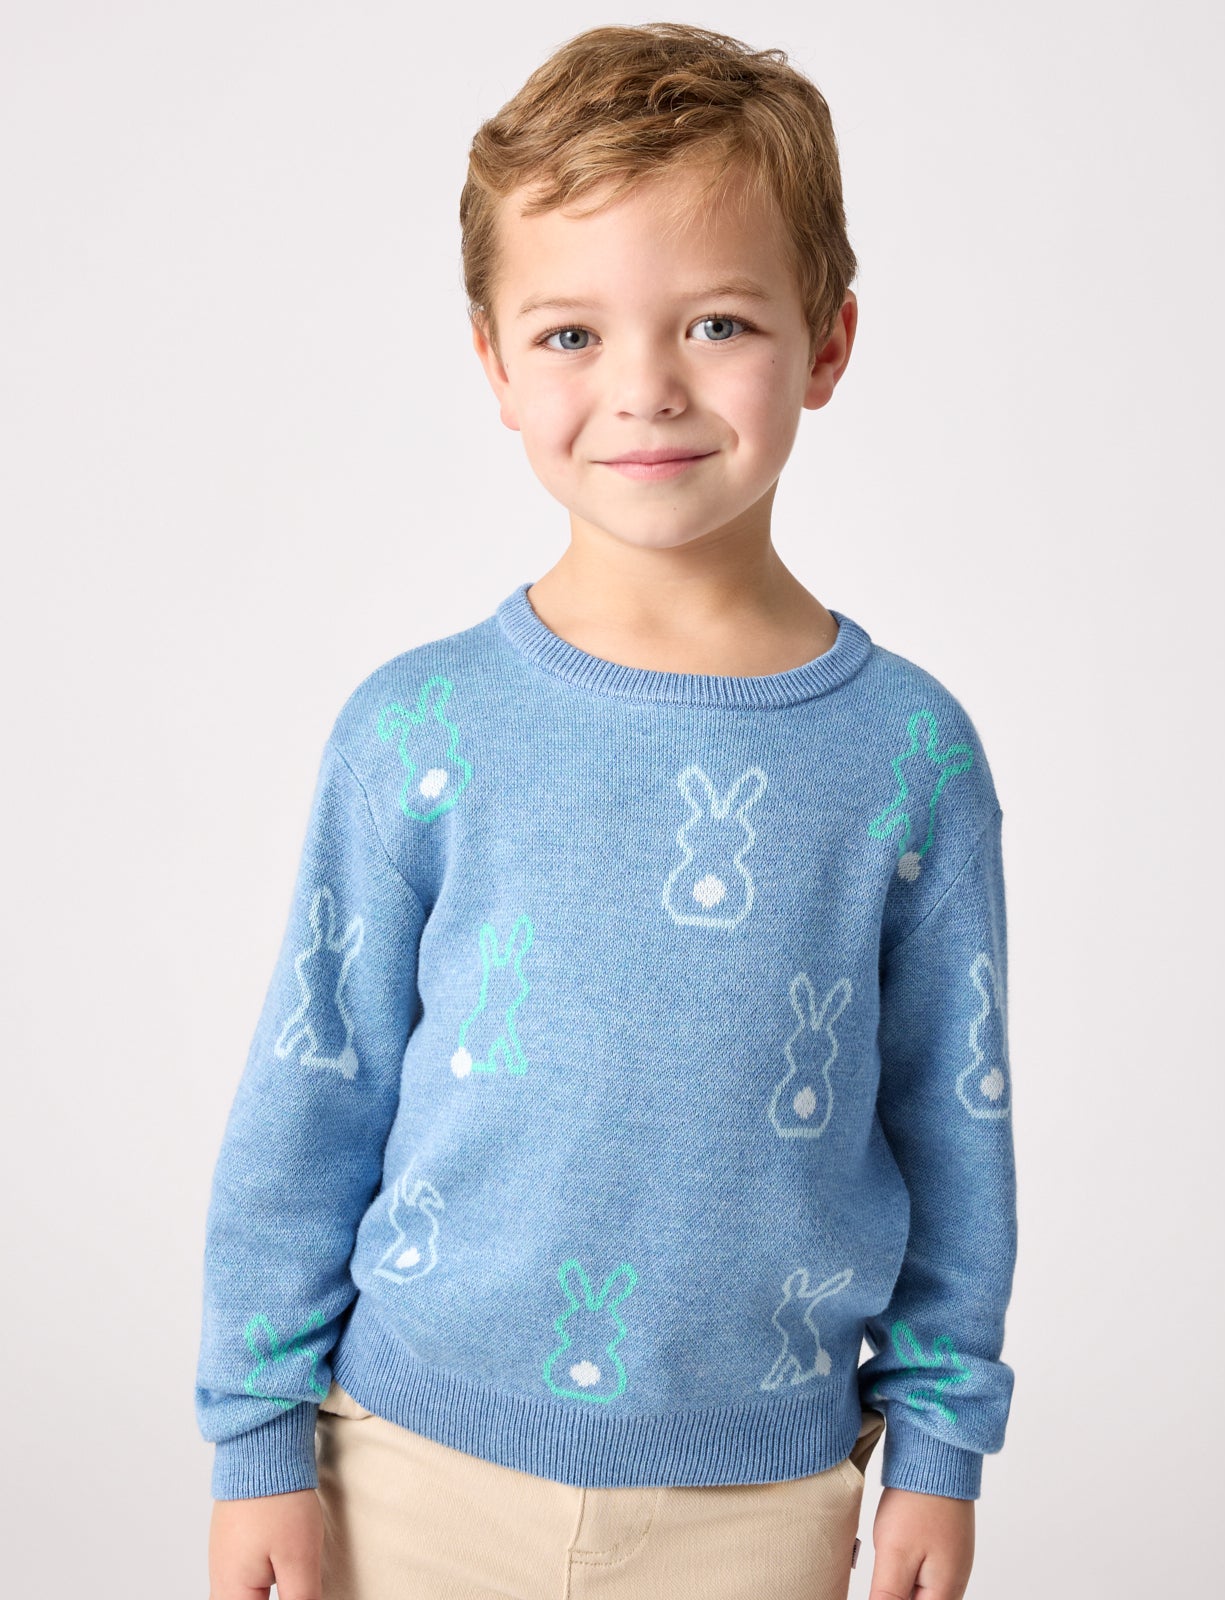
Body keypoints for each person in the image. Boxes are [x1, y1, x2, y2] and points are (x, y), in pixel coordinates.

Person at [198, 21, 1017, 1600]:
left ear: (828, 343)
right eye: (572, 332)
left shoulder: (910, 756)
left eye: (717, 322)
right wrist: (257, 1439)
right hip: (406, 1466)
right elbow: (310, 1096)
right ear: (496, 365)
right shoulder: (417, 730)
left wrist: (938, 1446)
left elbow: (953, 1125)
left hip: (755, 1496)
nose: (645, 388)